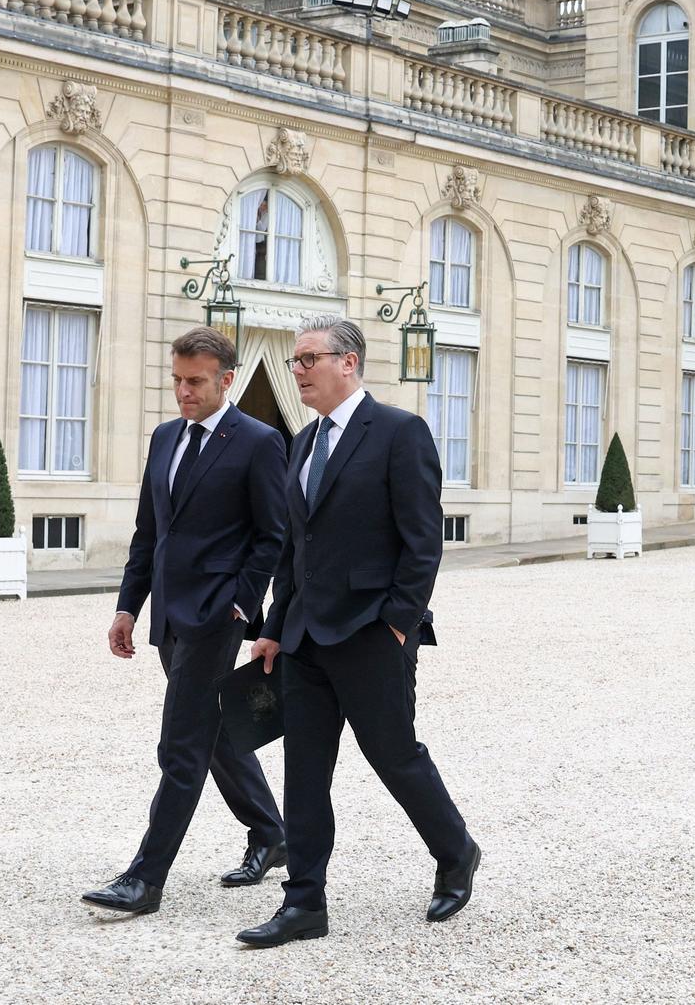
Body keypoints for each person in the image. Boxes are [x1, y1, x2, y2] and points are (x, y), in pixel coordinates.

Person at [237, 318, 477, 948]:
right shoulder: (303, 440)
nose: (298, 370)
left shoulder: (400, 432)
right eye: (294, 361)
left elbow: (424, 543)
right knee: (304, 770)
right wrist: (274, 627)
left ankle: (456, 853)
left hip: (372, 632)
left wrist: (398, 623)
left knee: (394, 758)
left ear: (349, 363)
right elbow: (297, 547)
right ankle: (305, 905)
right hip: (305, 640)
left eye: (309, 358)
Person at [83, 327, 290, 918]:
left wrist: (242, 604)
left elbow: (272, 535)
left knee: (179, 744)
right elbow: (150, 532)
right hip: (168, 615)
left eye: (195, 381)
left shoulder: (259, 441)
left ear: (227, 378)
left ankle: (145, 879)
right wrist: (128, 605)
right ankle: (271, 833)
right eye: (176, 380)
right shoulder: (165, 437)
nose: (183, 392)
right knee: (213, 728)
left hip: (216, 616)